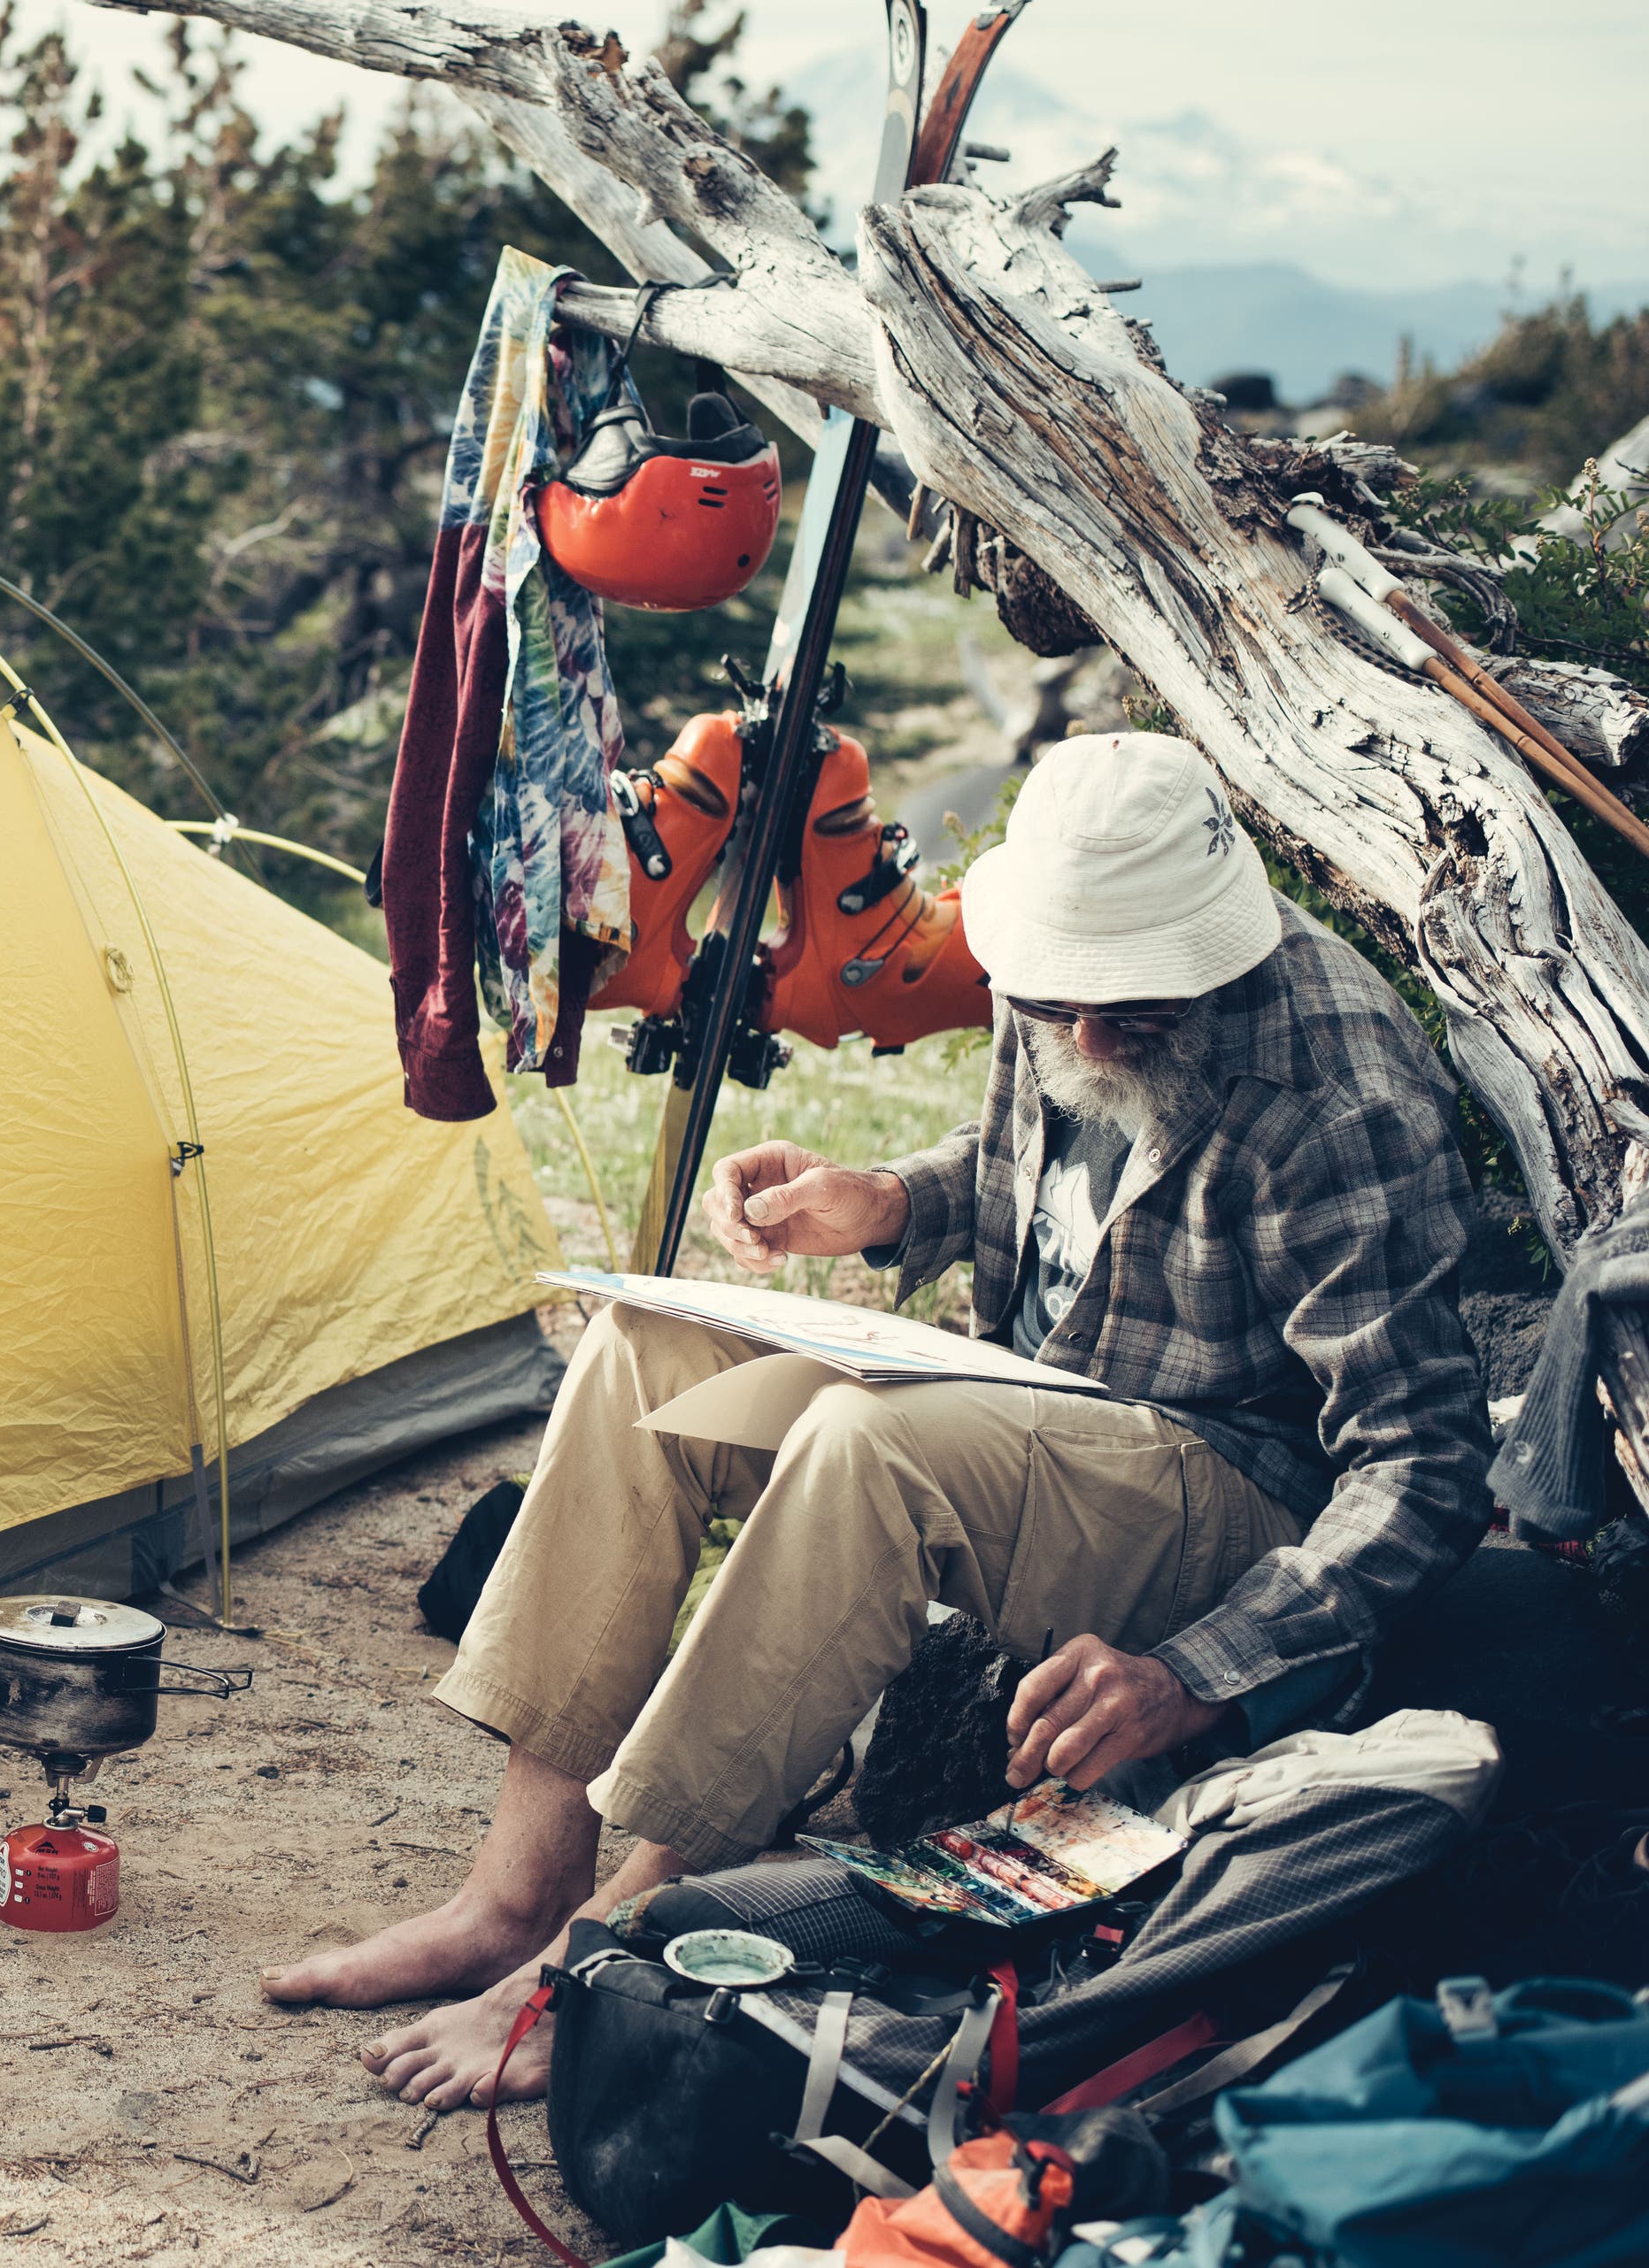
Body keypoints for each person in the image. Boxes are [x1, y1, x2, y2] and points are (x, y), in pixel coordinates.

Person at [266, 734, 1491, 2106]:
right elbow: (1044, 1168)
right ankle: (516, 1891)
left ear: (1208, 958)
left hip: (1217, 1485)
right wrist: (893, 1202)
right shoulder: (1069, 979)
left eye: (1132, 1017)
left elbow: (1423, 1463)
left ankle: (601, 1958)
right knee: (645, 1342)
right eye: (1056, 1002)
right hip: (1036, 1410)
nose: (1085, 1041)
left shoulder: (1342, 1099)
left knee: (868, 1451)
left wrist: (1194, 1672)